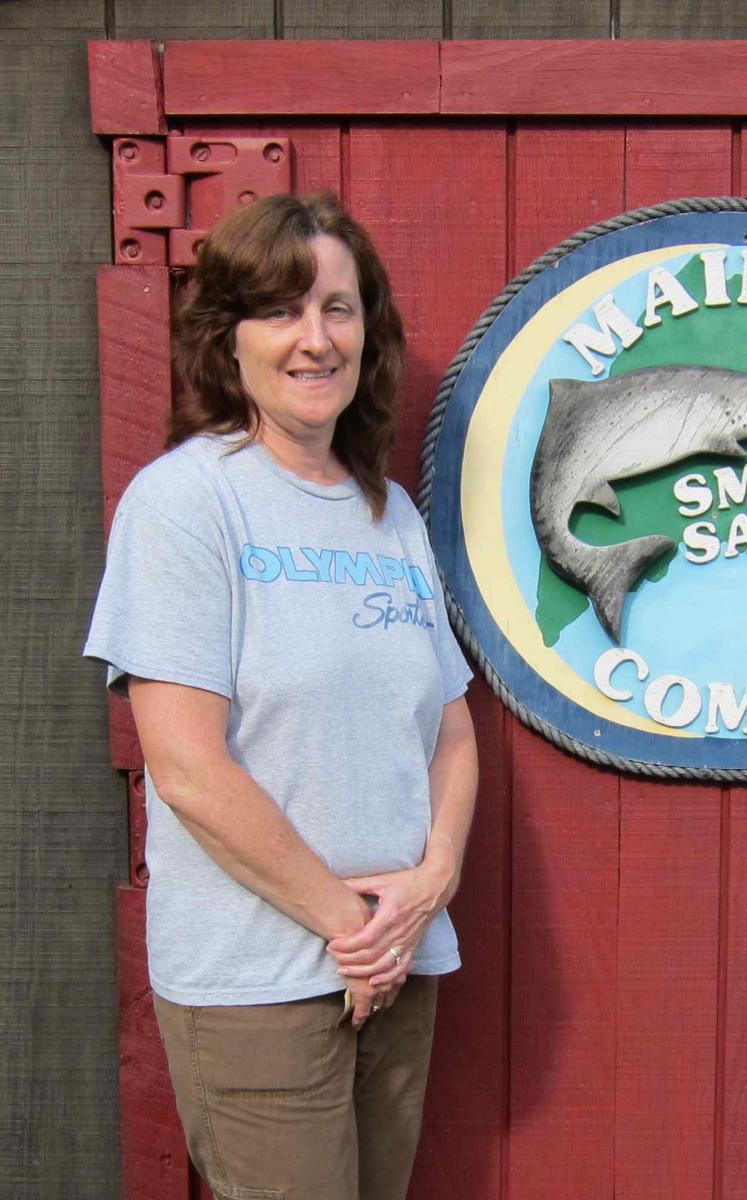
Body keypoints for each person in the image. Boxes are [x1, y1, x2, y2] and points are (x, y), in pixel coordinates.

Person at [84, 192, 478, 1200]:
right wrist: (354, 930)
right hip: (262, 980)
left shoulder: (383, 515)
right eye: (282, 311)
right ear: (230, 340)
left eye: (338, 310)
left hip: (394, 966)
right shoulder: (185, 504)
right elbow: (187, 769)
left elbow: (449, 726)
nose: (315, 340)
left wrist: (430, 882)